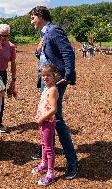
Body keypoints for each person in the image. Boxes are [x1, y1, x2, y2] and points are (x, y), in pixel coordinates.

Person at [29, 6, 78, 180]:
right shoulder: (44, 34)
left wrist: (67, 76)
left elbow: (68, 53)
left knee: (56, 120)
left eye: (32, 18)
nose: (31, 21)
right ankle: (45, 159)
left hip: (56, 81)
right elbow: (46, 56)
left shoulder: (54, 30)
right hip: (46, 80)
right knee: (48, 119)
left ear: (40, 16)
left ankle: (72, 162)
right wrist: (38, 50)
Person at [32, 64, 59, 186]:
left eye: (48, 75)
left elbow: (53, 109)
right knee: (43, 144)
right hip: (43, 121)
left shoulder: (53, 90)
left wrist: (42, 118)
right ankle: (44, 163)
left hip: (48, 122)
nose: (45, 77)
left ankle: (51, 173)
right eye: (43, 75)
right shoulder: (47, 88)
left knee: (48, 147)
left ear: (54, 76)